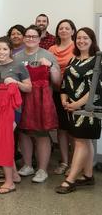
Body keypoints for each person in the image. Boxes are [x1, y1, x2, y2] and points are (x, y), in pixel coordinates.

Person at [55, 27, 101, 194]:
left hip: (89, 109)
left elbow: (96, 89)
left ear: (92, 41)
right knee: (84, 141)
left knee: (81, 142)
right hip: (72, 109)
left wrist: (77, 104)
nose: (81, 41)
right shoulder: (73, 60)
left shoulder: (98, 61)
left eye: (85, 38)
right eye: (79, 38)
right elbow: (64, 84)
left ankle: (70, 180)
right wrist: (65, 101)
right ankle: (88, 176)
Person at [14, 25, 61, 183]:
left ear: (40, 38)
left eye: (34, 36)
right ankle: (28, 165)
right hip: (21, 99)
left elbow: (57, 82)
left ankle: (42, 169)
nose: (30, 39)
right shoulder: (17, 57)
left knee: (41, 134)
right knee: (23, 132)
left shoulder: (48, 55)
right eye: (27, 36)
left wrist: (51, 66)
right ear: (23, 37)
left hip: (41, 100)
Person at [0, 36, 32, 194]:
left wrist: (15, 82)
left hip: (13, 111)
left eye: (5, 49)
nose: (1, 52)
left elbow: (28, 88)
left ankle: (9, 182)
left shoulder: (18, 65)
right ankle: (14, 175)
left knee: (3, 142)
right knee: (3, 142)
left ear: (11, 50)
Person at [48, 19, 76, 175]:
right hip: (56, 93)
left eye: (67, 28)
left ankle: (74, 163)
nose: (63, 30)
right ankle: (65, 161)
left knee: (73, 130)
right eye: (61, 28)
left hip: (74, 94)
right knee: (61, 129)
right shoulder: (52, 49)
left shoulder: (77, 47)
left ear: (73, 31)